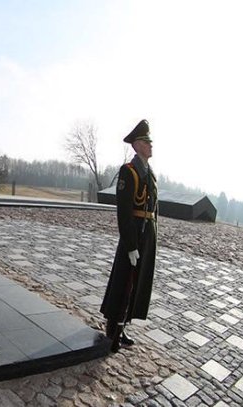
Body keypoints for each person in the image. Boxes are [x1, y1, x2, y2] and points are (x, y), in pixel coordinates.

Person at [100, 119, 157, 353]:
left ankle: (124, 324)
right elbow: (124, 211)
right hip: (133, 234)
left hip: (147, 234)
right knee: (123, 279)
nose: (151, 145)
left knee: (137, 283)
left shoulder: (149, 173)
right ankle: (113, 326)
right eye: (147, 142)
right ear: (136, 145)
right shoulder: (129, 171)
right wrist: (131, 245)